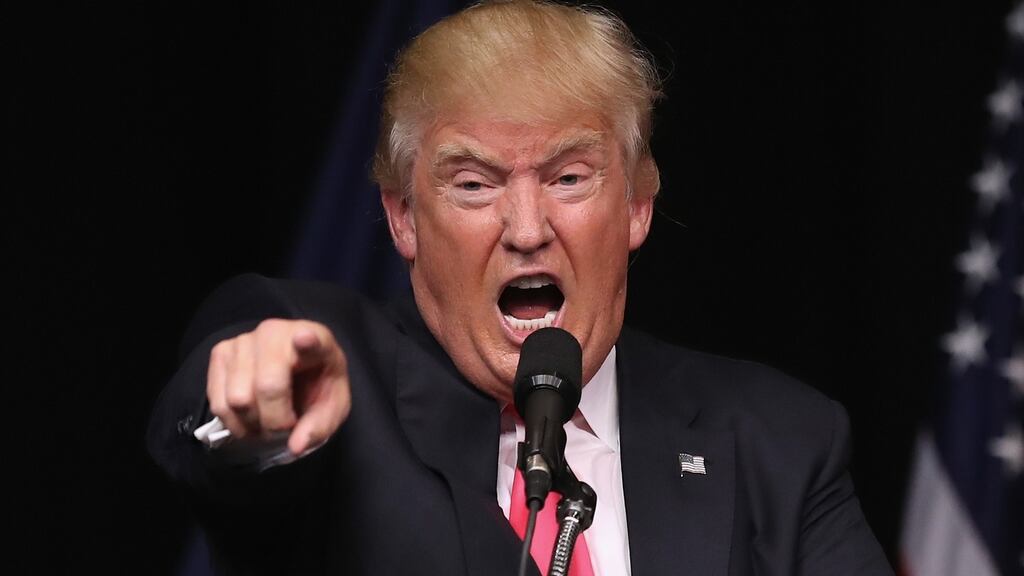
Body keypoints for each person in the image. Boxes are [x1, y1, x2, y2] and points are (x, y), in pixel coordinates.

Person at [148, 1, 893, 574]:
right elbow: (211, 424)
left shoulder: (780, 441)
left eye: (570, 178)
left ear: (637, 205)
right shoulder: (337, 389)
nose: (528, 228)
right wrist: (255, 415)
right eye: (474, 184)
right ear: (403, 217)